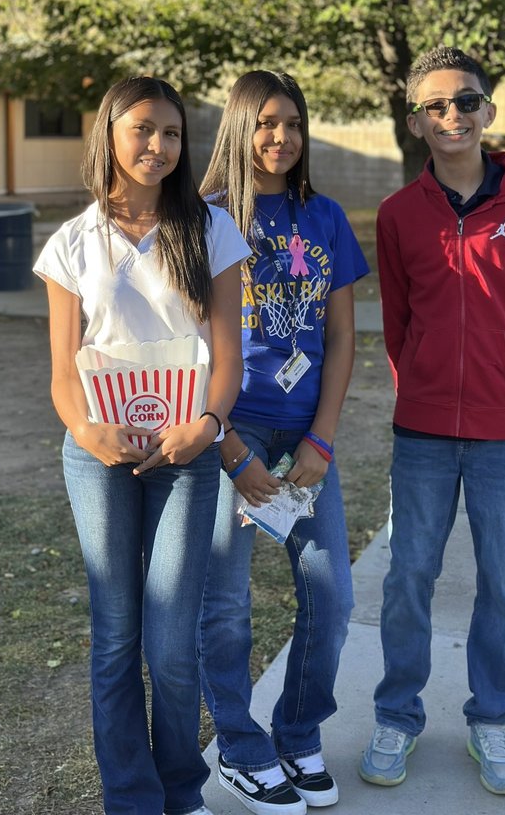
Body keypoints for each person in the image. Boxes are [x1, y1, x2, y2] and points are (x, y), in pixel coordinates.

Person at [33, 76, 249, 815]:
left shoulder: (211, 231)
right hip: (101, 461)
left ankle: (182, 792)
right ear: (110, 136)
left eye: (171, 133)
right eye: (142, 130)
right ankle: (131, 798)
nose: (157, 146)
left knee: (170, 644)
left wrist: (209, 426)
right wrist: (93, 434)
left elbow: (228, 360)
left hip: (185, 458)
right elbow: (64, 376)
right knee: (117, 638)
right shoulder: (71, 244)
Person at [359, 46, 505, 796]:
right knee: (408, 574)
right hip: (422, 431)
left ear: (489, 110)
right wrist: (420, 381)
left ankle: (493, 718)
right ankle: (396, 713)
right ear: (416, 121)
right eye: (437, 105)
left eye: (467, 101)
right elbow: (398, 320)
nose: (454, 115)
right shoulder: (396, 216)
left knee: (502, 578)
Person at [197, 70, 370, 814]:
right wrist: (230, 447)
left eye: (293, 123)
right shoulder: (202, 218)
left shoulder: (324, 216)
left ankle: (298, 732)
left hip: (304, 436)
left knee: (331, 593)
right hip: (228, 431)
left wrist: (323, 439)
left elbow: (340, 336)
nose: (282, 137)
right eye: (266, 122)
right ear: (240, 127)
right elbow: (185, 344)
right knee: (224, 602)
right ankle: (239, 746)